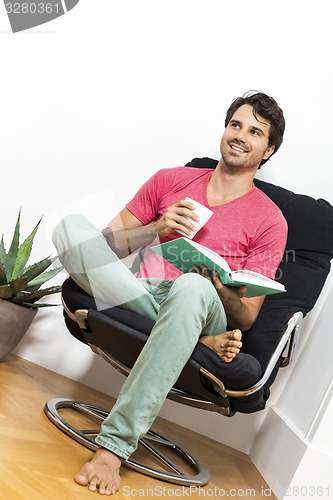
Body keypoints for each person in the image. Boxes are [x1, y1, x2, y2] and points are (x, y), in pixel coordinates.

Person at [52, 91, 288, 495]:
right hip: (139, 291)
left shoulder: (270, 221)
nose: (240, 136)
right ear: (225, 128)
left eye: (255, 132)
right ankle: (197, 340)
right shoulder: (171, 180)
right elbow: (102, 245)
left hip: (203, 304)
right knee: (71, 228)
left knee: (191, 284)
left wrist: (215, 282)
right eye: (236, 124)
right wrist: (158, 229)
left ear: (268, 151)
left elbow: (246, 316)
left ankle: (113, 448)